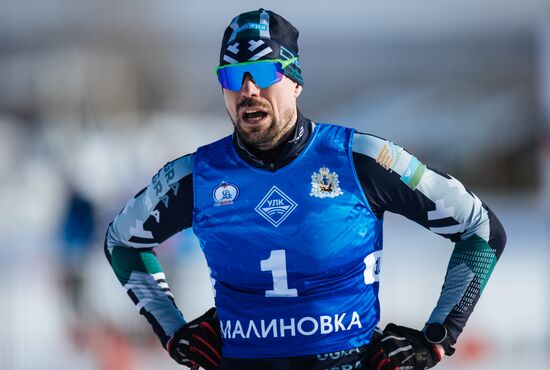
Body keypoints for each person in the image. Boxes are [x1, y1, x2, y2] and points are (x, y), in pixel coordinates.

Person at [105, 8, 506, 370]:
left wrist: (436, 337)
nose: (247, 90)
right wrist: (174, 333)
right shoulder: (198, 176)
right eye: (231, 76)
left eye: (263, 73)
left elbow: (480, 230)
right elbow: (121, 242)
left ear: (294, 81)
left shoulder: (361, 158)